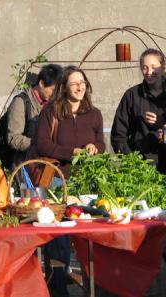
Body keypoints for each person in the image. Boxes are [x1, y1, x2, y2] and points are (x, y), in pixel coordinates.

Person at [36, 65, 105, 297]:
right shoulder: (51, 112)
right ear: (64, 87)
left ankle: (92, 287)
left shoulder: (93, 113)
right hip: (57, 181)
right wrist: (71, 152)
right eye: (74, 83)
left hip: (85, 183)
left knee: (87, 237)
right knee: (59, 238)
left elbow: (102, 143)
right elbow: (43, 145)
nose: (80, 87)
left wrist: (95, 148)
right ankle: (57, 289)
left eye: (82, 82)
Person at [111, 48, 166, 178]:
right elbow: (118, 136)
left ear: (163, 68)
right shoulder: (132, 96)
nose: (149, 72)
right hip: (139, 170)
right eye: (144, 68)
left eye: (153, 67)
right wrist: (133, 161)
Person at [7, 64, 62, 169]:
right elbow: (13, 138)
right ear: (41, 83)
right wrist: (40, 145)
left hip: (49, 166)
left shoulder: (53, 105)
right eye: (53, 90)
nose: (56, 95)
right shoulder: (21, 102)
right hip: (26, 166)